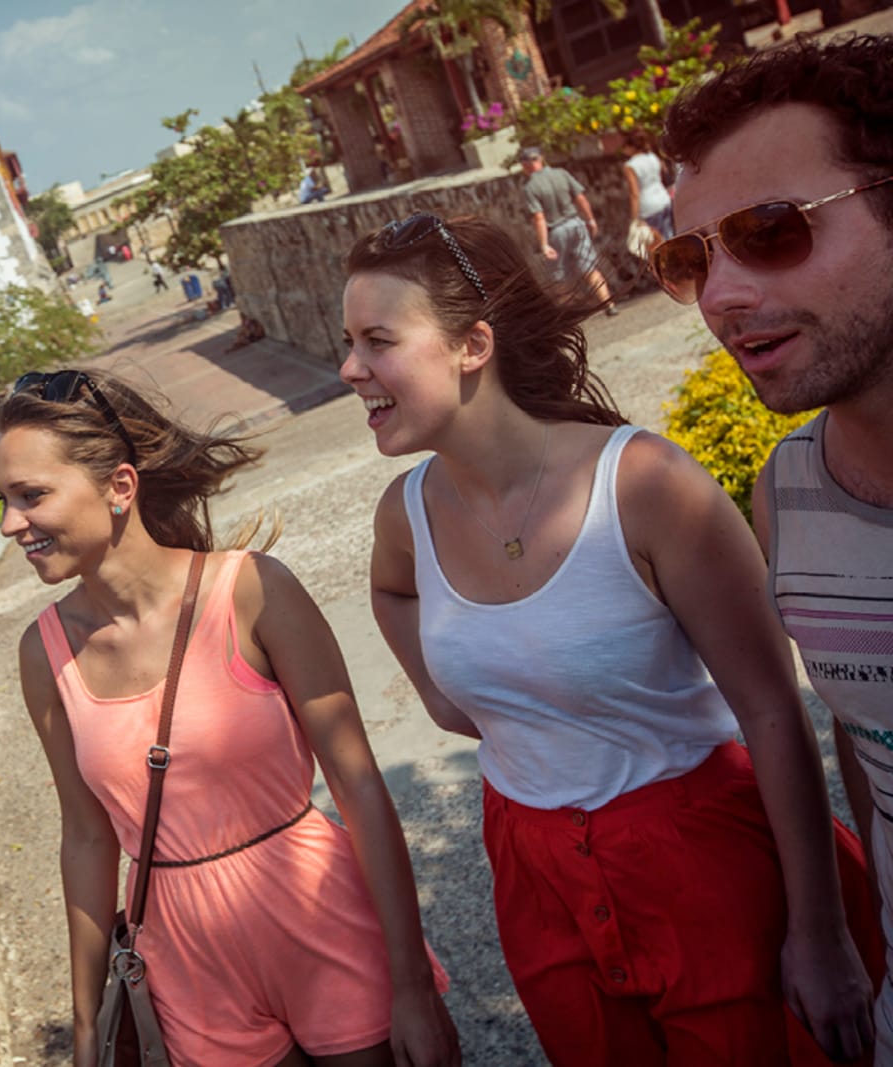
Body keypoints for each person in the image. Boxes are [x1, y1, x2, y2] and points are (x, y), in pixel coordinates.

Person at [340, 212, 876, 1066]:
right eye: (348, 341)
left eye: (377, 340)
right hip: (531, 870)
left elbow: (773, 709)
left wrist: (820, 932)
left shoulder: (644, 483)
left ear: (472, 345)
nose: (349, 368)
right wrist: (452, 694)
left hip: (701, 858)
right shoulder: (404, 515)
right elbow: (390, 587)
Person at [0, 369, 458, 1067]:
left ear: (120, 486)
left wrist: (413, 985)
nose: (9, 524)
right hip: (185, 964)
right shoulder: (44, 654)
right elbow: (88, 838)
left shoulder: (253, 591)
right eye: (4, 500)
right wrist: (86, 1021)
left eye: (31, 496)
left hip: (319, 919)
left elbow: (358, 785)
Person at [656, 33, 893, 1062]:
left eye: (766, 229)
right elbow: (856, 727)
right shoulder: (787, 493)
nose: (717, 297)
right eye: (688, 256)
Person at [517, 145, 617, 315]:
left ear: (525, 165)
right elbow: (581, 198)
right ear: (541, 159)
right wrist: (590, 220)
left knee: (560, 277)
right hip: (576, 224)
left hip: (555, 231)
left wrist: (544, 245)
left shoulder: (530, 188)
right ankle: (609, 304)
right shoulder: (561, 174)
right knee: (590, 268)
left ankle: (570, 314)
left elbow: (539, 217)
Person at [621, 130, 674, 243]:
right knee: (670, 237)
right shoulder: (652, 157)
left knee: (657, 244)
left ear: (631, 146)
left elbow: (634, 193)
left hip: (649, 208)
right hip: (664, 200)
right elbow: (662, 173)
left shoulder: (630, 165)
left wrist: (634, 219)